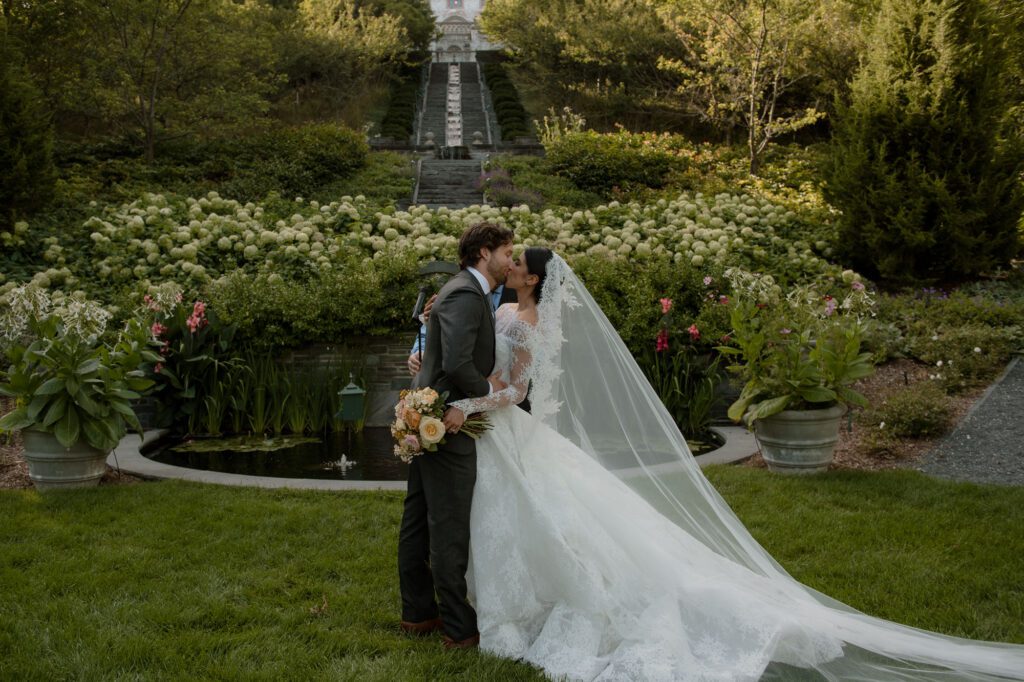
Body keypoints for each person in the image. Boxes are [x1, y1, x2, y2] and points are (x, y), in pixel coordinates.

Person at [439, 247, 1024, 681]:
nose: (509, 263)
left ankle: (514, 606)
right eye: (509, 258)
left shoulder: (517, 317)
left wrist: (466, 402)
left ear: (533, 279)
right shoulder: (525, 315)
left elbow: (512, 390)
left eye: (518, 262)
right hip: (520, 432)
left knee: (528, 514)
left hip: (504, 421)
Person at [397, 222, 514, 650]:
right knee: (447, 526)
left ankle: (418, 613)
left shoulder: (458, 288)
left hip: (428, 411)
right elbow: (462, 365)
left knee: (419, 517)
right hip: (446, 420)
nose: (509, 261)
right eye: (506, 252)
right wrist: (491, 394)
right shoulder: (467, 293)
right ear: (485, 252)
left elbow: (440, 354)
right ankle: (458, 627)